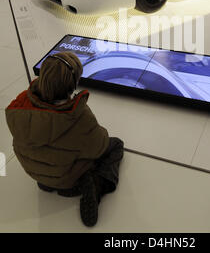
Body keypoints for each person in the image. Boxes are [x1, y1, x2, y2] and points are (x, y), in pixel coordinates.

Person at [5, 51, 124, 227]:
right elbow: (99, 146)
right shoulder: (78, 116)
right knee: (115, 145)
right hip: (67, 177)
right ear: (73, 83)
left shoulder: (19, 107)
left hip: (35, 172)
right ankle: (97, 185)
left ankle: (47, 183)